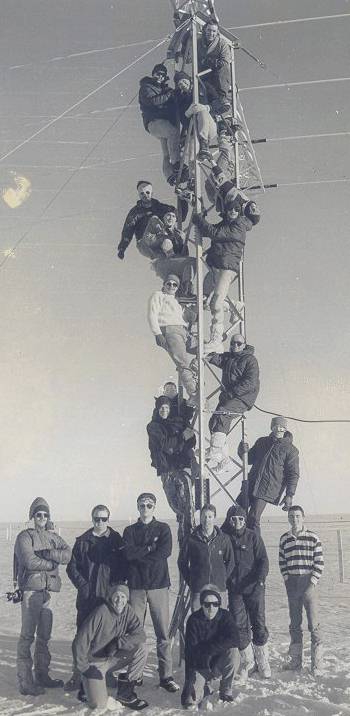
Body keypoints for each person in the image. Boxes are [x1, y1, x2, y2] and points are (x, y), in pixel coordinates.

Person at [64, 504, 127, 692]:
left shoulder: (116, 540)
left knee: (108, 636)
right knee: (82, 637)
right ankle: (78, 674)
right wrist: (83, 586)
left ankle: (106, 673)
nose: (100, 522)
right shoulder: (83, 540)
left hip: (108, 598)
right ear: (92, 519)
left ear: (109, 519)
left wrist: (116, 588)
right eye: (97, 519)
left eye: (104, 519)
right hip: (87, 598)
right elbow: (71, 567)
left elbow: (123, 565)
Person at [14, 497, 71, 696]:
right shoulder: (24, 536)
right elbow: (28, 561)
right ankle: (25, 681)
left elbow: (68, 554)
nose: (42, 517)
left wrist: (48, 553)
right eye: (38, 514)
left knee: (44, 636)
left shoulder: (52, 536)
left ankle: (42, 674)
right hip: (32, 591)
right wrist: (52, 564)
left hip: (49, 592)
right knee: (27, 636)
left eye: (45, 514)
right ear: (33, 515)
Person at [122, 493, 179, 693]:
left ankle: (166, 676)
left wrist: (140, 554)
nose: (145, 508)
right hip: (136, 587)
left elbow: (164, 553)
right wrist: (148, 548)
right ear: (137, 507)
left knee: (163, 633)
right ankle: (135, 674)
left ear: (154, 507)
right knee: (135, 633)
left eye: (149, 505)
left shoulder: (163, 529)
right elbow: (128, 554)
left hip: (158, 585)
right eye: (142, 505)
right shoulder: (129, 530)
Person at [193, 201, 260, 352]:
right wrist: (200, 216)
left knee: (216, 303)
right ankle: (235, 307)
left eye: (236, 209)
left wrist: (200, 220)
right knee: (204, 300)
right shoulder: (224, 224)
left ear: (240, 212)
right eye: (230, 209)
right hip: (216, 266)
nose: (233, 211)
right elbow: (207, 230)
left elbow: (216, 234)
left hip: (227, 267)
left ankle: (216, 340)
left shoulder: (240, 224)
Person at [73, 583, 148, 711]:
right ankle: (85, 684)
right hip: (94, 663)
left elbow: (140, 635)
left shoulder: (127, 610)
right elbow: (79, 642)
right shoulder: (101, 611)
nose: (120, 601)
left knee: (142, 649)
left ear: (127, 599)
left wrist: (118, 643)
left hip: (111, 659)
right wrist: (84, 668)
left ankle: (125, 693)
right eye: (116, 596)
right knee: (99, 705)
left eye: (123, 597)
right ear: (110, 597)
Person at [221, 504, 270, 680]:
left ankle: (262, 660)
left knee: (258, 623)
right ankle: (247, 661)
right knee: (238, 625)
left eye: (241, 519)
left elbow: (263, 560)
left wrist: (261, 579)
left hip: (254, 587)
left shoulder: (253, 537)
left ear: (245, 520)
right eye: (233, 519)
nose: (237, 522)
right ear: (229, 520)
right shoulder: (224, 537)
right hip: (235, 590)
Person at [279, 505, 324, 675]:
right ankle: (296, 662)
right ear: (288, 518)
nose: (294, 519)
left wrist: (311, 584)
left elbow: (319, 563)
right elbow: (282, 563)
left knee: (314, 624)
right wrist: (287, 580)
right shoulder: (284, 539)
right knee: (295, 625)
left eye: (297, 516)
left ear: (303, 517)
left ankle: (317, 664)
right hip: (293, 584)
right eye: (291, 516)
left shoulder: (313, 538)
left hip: (309, 583)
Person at [205, 334, 260, 467]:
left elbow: (250, 382)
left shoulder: (250, 360)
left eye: (239, 343)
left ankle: (216, 451)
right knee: (213, 421)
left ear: (244, 345)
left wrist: (232, 393)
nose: (235, 345)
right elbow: (216, 358)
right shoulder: (229, 358)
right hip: (230, 397)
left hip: (243, 397)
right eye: (233, 343)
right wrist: (205, 350)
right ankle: (224, 459)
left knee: (223, 414)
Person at [237, 417, 300, 531]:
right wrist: (242, 450)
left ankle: (257, 547)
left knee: (253, 518)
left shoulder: (291, 450)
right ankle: (237, 544)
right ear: (272, 427)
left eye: (282, 427)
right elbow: (249, 459)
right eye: (276, 426)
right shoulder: (262, 442)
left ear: (285, 429)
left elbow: (293, 474)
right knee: (237, 512)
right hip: (251, 483)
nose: (279, 429)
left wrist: (289, 495)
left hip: (267, 489)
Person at [182, 584, 238, 708]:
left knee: (233, 651)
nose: (211, 608)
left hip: (218, 663)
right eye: (207, 604)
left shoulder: (226, 616)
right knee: (188, 702)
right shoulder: (193, 620)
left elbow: (235, 639)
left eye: (215, 604)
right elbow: (190, 653)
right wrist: (190, 681)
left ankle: (226, 690)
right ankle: (205, 687)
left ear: (219, 604)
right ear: (201, 604)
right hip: (200, 665)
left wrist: (209, 650)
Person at [147, 273, 197, 402]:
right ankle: (194, 394)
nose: (171, 286)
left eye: (175, 284)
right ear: (164, 285)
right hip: (170, 330)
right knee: (182, 362)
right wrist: (157, 334)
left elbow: (186, 316)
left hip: (183, 331)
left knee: (206, 348)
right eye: (168, 283)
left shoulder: (177, 300)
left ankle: (195, 368)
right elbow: (152, 315)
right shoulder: (158, 295)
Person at [178, 503, 234, 611]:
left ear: (214, 518)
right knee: (198, 622)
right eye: (204, 516)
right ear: (200, 518)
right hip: (198, 589)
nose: (206, 519)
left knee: (219, 621)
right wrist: (192, 580)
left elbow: (231, 562)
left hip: (219, 589)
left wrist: (222, 578)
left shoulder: (223, 539)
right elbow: (182, 562)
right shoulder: (191, 539)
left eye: (210, 517)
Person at [139, 64, 184, 184]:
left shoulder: (164, 90)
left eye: (163, 75)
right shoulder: (146, 86)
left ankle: (170, 176)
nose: (160, 76)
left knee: (166, 153)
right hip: (155, 122)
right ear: (153, 74)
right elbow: (153, 101)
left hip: (163, 123)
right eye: (158, 73)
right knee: (173, 133)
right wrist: (170, 95)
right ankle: (176, 164)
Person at [117, 180, 175, 260]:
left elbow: (176, 214)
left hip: (159, 240)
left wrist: (182, 201)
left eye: (147, 192)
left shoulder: (160, 207)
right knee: (154, 219)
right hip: (144, 243)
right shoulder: (136, 212)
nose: (145, 195)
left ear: (152, 193)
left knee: (163, 257)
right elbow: (128, 229)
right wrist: (122, 248)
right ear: (139, 195)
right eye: (142, 193)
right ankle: (166, 243)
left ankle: (169, 259)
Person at [147, 395, 196, 477]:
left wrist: (190, 437)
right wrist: (182, 437)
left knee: (186, 484)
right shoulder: (153, 426)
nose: (164, 410)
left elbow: (189, 443)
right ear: (157, 409)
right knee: (176, 486)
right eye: (161, 408)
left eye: (166, 407)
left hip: (182, 463)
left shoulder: (174, 422)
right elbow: (163, 444)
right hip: (167, 467)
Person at [174, 70, 217, 162]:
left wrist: (208, 107)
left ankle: (204, 144)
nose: (183, 85)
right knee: (192, 154)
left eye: (184, 81)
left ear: (189, 79)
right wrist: (187, 113)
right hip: (194, 131)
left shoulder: (202, 86)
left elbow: (218, 102)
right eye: (180, 84)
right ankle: (192, 175)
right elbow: (183, 120)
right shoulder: (181, 99)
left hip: (209, 127)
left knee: (202, 111)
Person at [197, 18, 232, 128]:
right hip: (204, 74)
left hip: (217, 72)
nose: (211, 34)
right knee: (203, 83)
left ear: (217, 32)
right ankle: (212, 104)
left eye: (213, 31)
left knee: (223, 70)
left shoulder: (221, 43)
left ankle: (222, 97)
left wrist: (212, 62)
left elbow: (225, 61)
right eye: (209, 30)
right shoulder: (198, 42)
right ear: (204, 30)